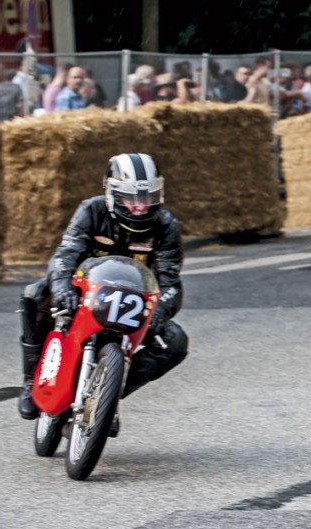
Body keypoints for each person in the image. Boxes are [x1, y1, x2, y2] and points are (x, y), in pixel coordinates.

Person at [17, 153, 188, 429]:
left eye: (147, 198)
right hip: (83, 290)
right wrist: (62, 288)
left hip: (133, 301)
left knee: (175, 341)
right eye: (129, 198)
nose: (139, 207)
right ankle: (29, 379)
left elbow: (170, 283)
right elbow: (64, 256)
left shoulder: (167, 226)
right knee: (35, 294)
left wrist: (160, 312)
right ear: (111, 193)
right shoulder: (91, 210)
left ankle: (105, 397)